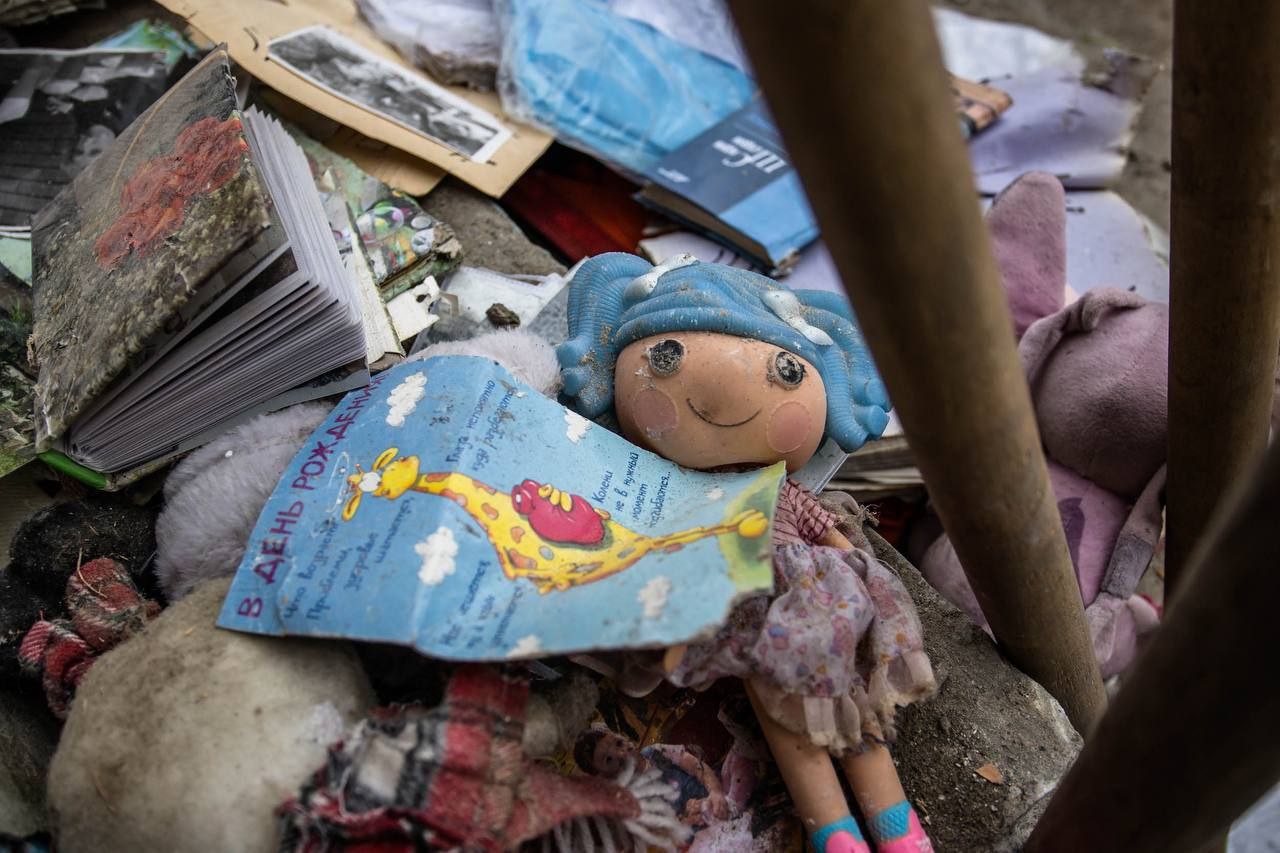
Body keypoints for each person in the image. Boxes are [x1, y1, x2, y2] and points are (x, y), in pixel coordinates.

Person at [558, 253, 937, 853]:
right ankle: (836, 833)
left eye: (787, 371)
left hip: (819, 610)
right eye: (666, 357)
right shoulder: (672, 495)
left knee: (851, 710)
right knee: (788, 722)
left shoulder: (786, 493)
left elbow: (833, 538)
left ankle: (897, 827)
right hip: (744, 621)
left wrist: (868, 583)